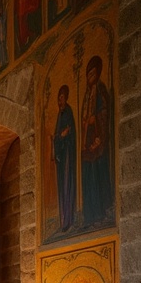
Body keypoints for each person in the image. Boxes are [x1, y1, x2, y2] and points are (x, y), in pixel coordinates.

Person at [80, 55, 114, 228]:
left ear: (98, 73)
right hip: (87, 140)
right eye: (88, 74)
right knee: (88, 175)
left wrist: (95, 120)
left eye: (92, 73)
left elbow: (104, 112)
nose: (90, 77)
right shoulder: (86, 96)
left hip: (98, 140)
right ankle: (90, 215)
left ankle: (101, 213)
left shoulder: (100, 90)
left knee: (98, 174)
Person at [51, 84, 77, 233]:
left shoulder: (68, 112)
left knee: (68, 185)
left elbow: (71, 132)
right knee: (62, 187)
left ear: (65, 97)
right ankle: (63, 220)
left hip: (68, 155)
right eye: (58, 98)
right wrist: (58, 137)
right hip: (61, 157)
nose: (59, 100)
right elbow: (58, 135)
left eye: (61, 97)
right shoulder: (60, 115)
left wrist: (63, 136)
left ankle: (68, 219)